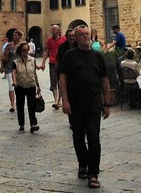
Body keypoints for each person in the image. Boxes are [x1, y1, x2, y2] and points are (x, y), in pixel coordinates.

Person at [59, 25, 111, 189]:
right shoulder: (69, 56)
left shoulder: (98, 56)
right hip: (75, 103)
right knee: (78, 137)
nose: (85, 36)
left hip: (94, 103)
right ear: (75, 38)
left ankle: (93, 174)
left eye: (87, 34)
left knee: (94, 138)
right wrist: (65, 100)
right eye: (81, 34)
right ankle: (83, 163)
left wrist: (107, 103)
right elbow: (63, 78)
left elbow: (104, 80)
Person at [11, 42, 41, 133]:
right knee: (20, 105)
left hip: (31, 85)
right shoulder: (15, 62)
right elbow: (14, 72)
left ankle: (33, 124)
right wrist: (14, 81)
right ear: (20, 51)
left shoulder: (32, 60)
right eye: (24, 50)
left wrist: (38, 86)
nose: (26, 52)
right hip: (20, 86)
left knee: (32, 105)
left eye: (27, 50)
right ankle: (21, 124)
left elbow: (34, 73)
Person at [38, 24, 66, 109]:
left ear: (58, 30)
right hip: (52, 63)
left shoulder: (63, 39)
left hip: (61, 63)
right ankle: (56, 100)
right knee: (53, 81)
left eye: (54, 29)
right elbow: (46, 51)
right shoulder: (49, 40)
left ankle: (59, 100)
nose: (52, 31)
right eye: (52, 29)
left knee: (61, 82)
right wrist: (43, 63)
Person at [2, 30, 22, 112]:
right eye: (14, 35)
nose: (14, 37)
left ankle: (18, 103)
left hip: (19, 68)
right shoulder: (9, 45)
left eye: (16, 35)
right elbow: (4, 56)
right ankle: (12, 104)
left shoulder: (22, 45)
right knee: (11, 86)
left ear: (19, 37)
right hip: (9, 67)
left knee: (19, 86)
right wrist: (2, 66)